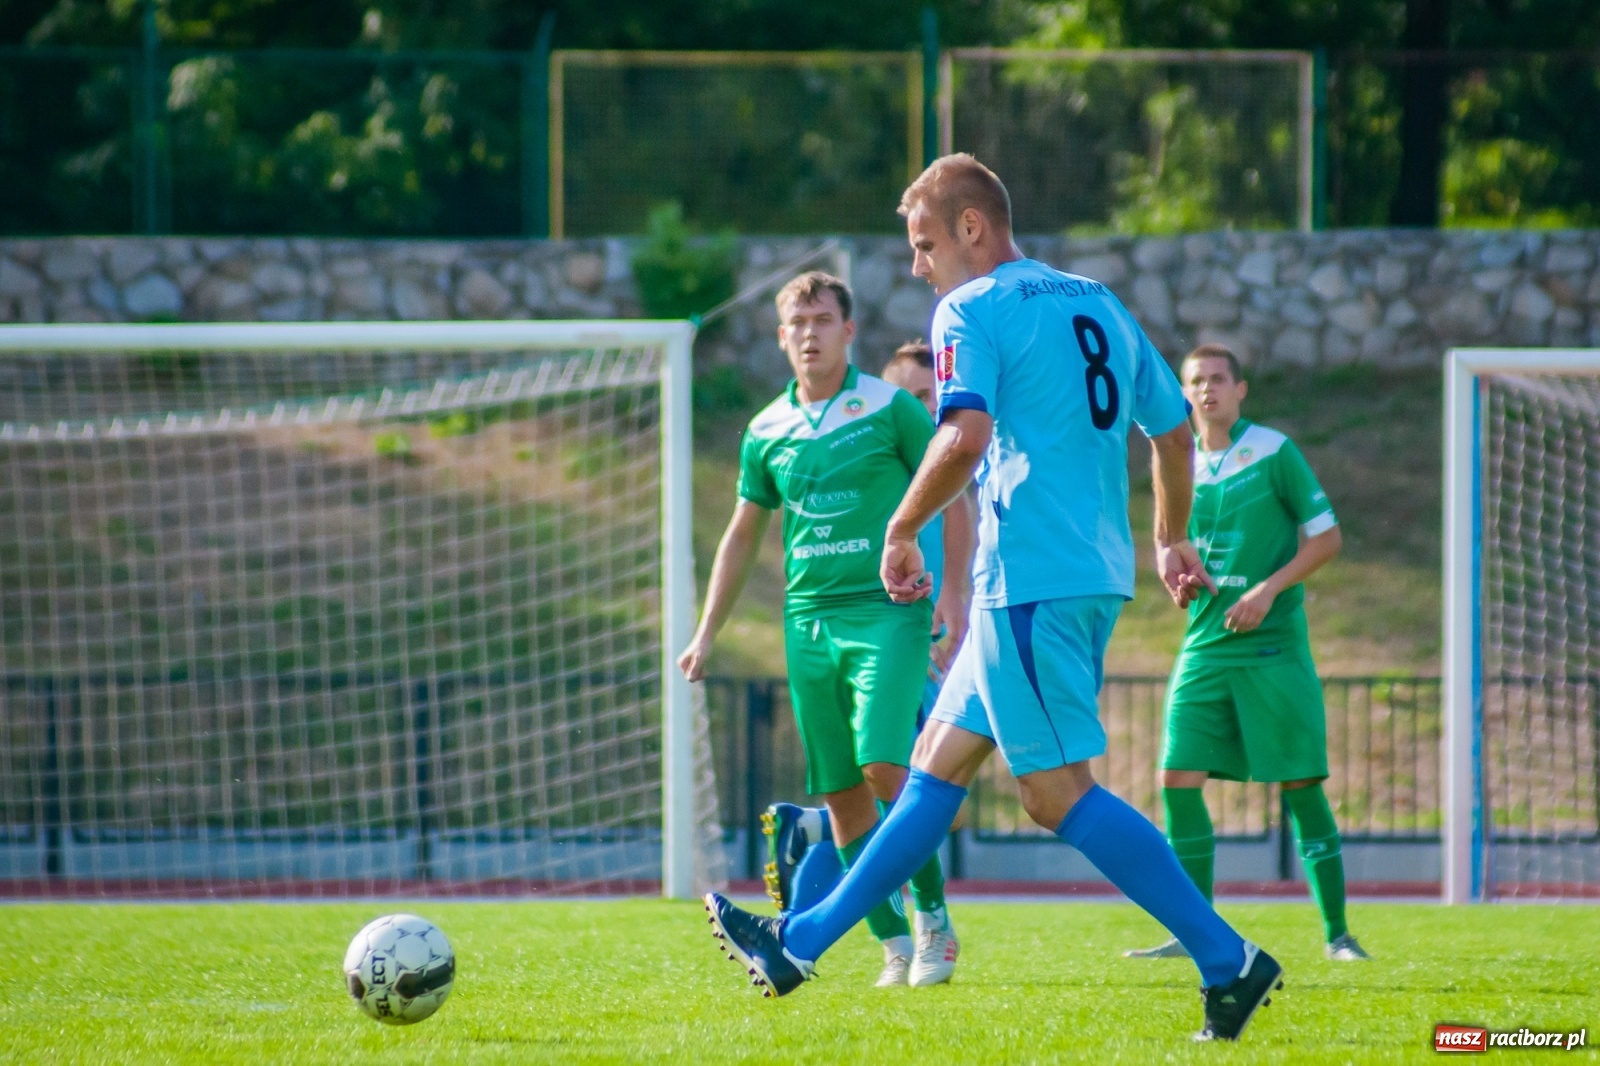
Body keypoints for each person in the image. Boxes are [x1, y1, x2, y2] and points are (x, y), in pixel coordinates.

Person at [702, 154, 1283, 1044]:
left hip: (1032, 584)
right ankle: (801, 942)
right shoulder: (1097, 298)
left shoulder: (967, 309)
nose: (917, 264)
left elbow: (964, 432)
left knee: (1053, 796)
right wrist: (1167, 536)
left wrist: (901, 528)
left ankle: (1227, 959)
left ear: (972, 228)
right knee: (933, 771)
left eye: (924, 242)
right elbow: (1169, 430)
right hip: (1082, 571)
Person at [678, 273, 975, 988]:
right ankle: (893, 943)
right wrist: (706, 632)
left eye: (822, 318)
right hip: (806, 624)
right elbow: (742, 535)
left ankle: (935, 921)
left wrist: (956, 592)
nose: (809, 332)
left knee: (884, 767)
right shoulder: (765, 431)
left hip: (886, 611)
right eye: (796, 322)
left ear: (849, 331)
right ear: (782, 338)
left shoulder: (891, 408)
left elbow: (954, 491)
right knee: (843, 791)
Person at [1124, 344, 1370, 963]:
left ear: (1241, 390)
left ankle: (1338, 935)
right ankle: (1195, 931)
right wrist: (1174, 578)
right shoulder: (1173, 462)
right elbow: (1166, 546)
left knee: (1300, 783)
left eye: (1217, 380)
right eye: (1196, 382)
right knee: (1176, 779)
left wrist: (1267, 589)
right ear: (1183, 394)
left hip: (1272, 648)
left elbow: (1328, 538)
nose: (1207, 390)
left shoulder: (1273, 451)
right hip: (1204, 645)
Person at [760, 341, 977, 985]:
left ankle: (824, 845)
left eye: (926, 396)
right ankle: (894, 926)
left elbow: (968, 526)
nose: (918, 408)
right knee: (879, 774)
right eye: (905, 397)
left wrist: (957, 603)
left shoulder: (954, 466)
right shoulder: (875, 457)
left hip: (929, 631)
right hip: (880, 626)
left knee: (908, 776)